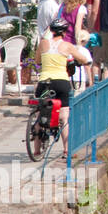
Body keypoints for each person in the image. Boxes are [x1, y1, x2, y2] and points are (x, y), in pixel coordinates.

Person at [35, 18, 91, 161]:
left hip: (45, 82)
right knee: (64, 116)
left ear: (52, 31)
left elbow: (37, 61)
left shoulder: (43, 44)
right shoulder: (67, 46)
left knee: (40, 113)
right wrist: (85, 61)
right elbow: (83, 59)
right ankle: (67, 150)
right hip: (61, 82)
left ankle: (35, 150)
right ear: (65, 32)